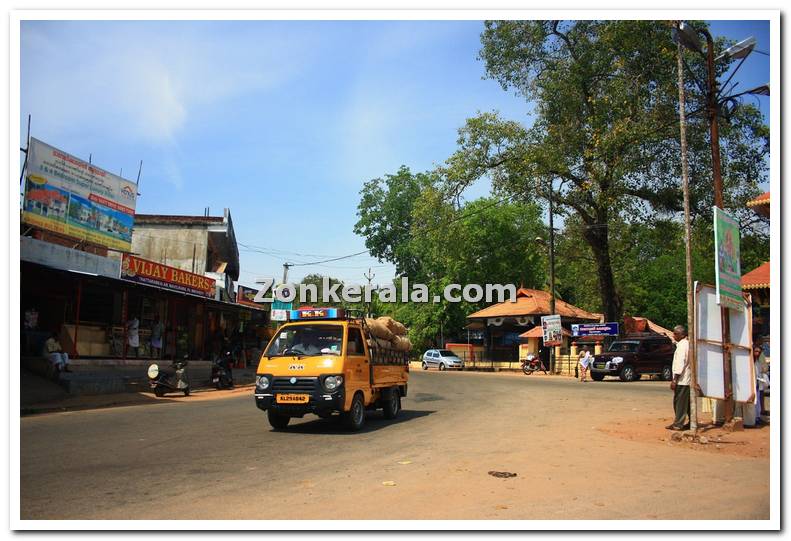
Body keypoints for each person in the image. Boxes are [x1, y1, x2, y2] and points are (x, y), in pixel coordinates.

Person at [667, 325, 691, 431]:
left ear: (682, 335)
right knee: (687, 402)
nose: (673, 335)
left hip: (682, 379)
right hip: (686, 379)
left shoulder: (682, 346)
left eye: (675, 333)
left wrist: (675, 379)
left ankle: (678, 423)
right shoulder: (686, 344)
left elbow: (680, 363)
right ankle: (691, 421)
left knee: (679, 402)